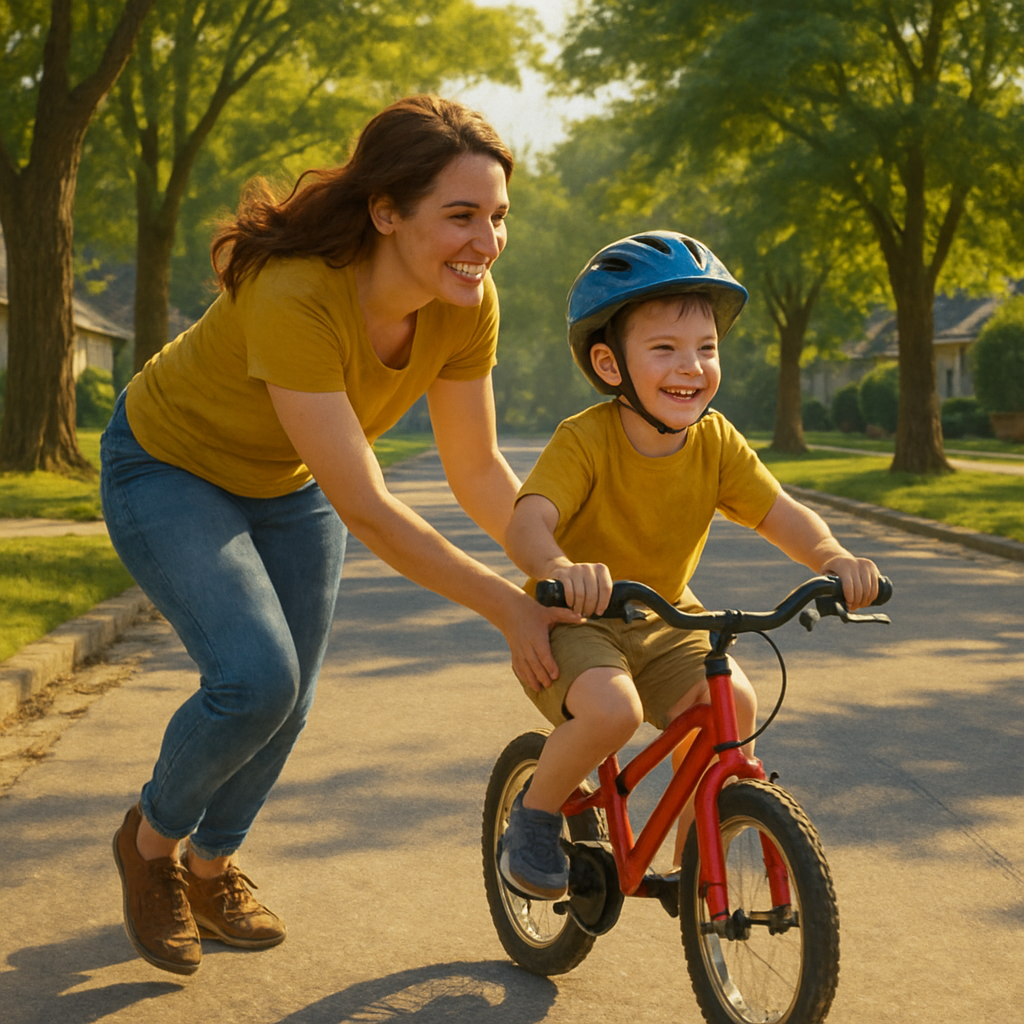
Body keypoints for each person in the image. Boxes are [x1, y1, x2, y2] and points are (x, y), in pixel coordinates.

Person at [101, 94, 578, 976]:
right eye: (462, 215)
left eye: (499, 217)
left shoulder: (467, 301)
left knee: (293, 698)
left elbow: (476, 471)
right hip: (169, 466)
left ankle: (212, 867)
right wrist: (507, 608)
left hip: (288, 484)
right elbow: (364, 503)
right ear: (386, 210)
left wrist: (549, 566)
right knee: (255, 679)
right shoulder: (298, 292)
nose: (487, 241)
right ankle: (152, 844)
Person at [499, 230, 881, 900]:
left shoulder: (716, 442)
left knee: (733, 699)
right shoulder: (584, 440)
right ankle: (534, 812)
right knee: (612, 712)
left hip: (665, 618)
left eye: (706, 349)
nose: (692, 366)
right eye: (666, 349)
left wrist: (832, 557)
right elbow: (527, 520)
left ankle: (696, 861)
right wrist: (560, 565)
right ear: (611, 365)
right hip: (576, 621)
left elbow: (778, 512)